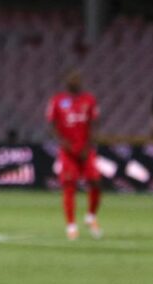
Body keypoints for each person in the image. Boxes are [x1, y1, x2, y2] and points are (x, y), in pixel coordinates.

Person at [46, 68, 102, 240]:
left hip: (86, 149)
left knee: (96, 182)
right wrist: (64, 144)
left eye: (77, 78)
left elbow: (94, 124)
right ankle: (71, 226)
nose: (75, 81)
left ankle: (91, 216)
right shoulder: (57, 100)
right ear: (66, 81)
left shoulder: (89, 100)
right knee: (69, 186)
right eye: (72, 78)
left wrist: (89, 146)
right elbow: (52, 126)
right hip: (67, 151)